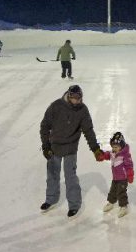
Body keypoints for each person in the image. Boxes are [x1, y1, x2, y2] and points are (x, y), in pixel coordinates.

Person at [39, 84, 104, 218]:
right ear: (68, 95)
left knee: (70, 177)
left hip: (70, 147)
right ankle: (51, 200)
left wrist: (95, 149)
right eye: (73, 97)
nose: (76, 100)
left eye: (78, 98)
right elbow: (45, 126)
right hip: (54, 146)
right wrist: (46, 146)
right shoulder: (56, 106)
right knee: (52, 175)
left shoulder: (82, 110)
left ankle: (74, 205)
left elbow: (88, 131)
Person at [101, 131, 135, 218]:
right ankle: (111, 203)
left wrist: (130, 175)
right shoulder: (113, 153)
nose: (114, 148)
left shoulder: (125, 155)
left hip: (123, 178)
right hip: (115, 178)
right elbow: (107, 155)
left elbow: (129, 166)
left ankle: (124, 207)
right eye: (113, 147)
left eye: (116, 147)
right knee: (113, 190)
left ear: (121, 146)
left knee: (121, 192)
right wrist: (101, 155)